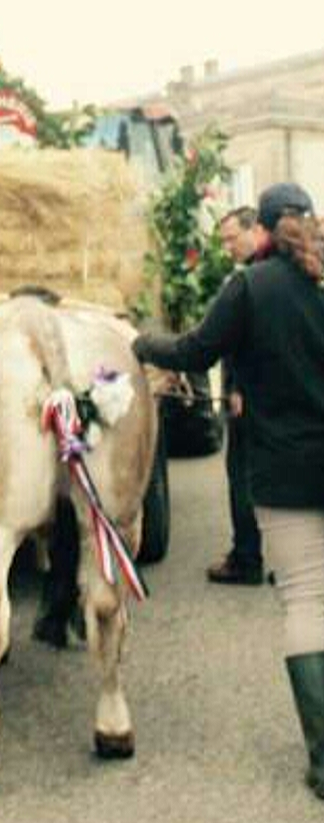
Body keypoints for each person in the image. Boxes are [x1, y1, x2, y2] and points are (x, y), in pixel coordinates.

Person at [133, 182, 324, 800]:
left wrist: (139, 341)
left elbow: (195, 351)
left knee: (304, 601)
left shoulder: (250, 287)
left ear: (263, 229)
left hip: (286, 467)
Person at [205, 206, 269, 585]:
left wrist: (237, 388)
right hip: (271, 394)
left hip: (253, 395)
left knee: (243, 475)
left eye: (232, 238)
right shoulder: (280, 270)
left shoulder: (251, 280)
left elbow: (254, 342)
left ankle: (247, 558)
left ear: (255, 230)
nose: (227, 246)